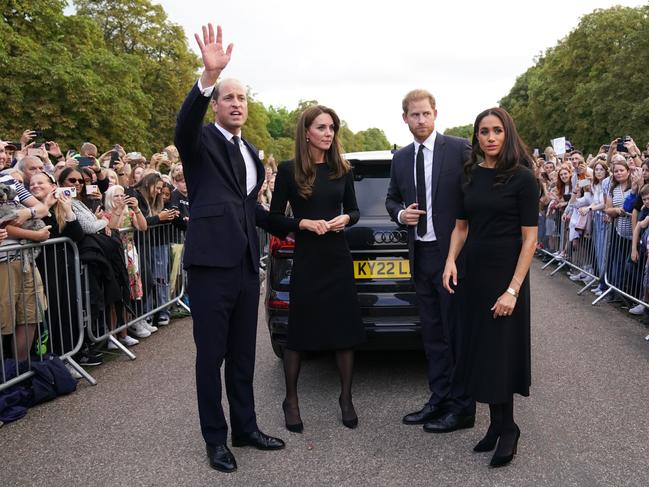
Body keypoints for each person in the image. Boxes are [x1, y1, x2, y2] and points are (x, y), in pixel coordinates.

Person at [174, 23, 286, 473]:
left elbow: (251, 210)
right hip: (209, 268)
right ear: (216, 105)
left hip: (243, 267)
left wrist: (301, 224)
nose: (237, 104)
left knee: (243, 354)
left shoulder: (252, 152)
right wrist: (206, 76)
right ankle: (215, 439)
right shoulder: (199, 142)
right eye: (228, 97)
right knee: (211, 358)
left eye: (242, 98)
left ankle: (246, 427)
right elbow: (184, 125)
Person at [443, 107, 538, 468]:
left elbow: (530, 240)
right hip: (474, 274)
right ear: (476, 138)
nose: (491, 137)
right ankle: (496, 425)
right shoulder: (469, 175)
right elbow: (461, 226)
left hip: (506, 275)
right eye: (484, 131)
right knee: (482, 350)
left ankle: (509, 427)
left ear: (507, 133)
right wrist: (451, 260)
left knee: (501, 352)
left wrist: (513, 289)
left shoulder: (523, 178)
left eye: (497, 130)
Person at [270, 105, 365, 433]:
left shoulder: (343, 169)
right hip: (308, 257)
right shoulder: (288, 170)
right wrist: (303, 223)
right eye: (322, 127)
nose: (329, 133)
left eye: (332, 128)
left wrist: (346, 219)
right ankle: (291, 401)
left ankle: (346, 398)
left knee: (344, 330)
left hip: (337, 256)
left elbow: (354, 210)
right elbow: (273, 219)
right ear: (306, 132)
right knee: (299, 332)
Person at [385, 89, 475, 433]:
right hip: (420, 254)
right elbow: (392, 198)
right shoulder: (401, 158)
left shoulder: (459, 148)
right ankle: (438, 399)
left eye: (425, 114)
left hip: (451, 256)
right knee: (433, 334)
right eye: (414, 115)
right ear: (405, 118)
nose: (420, 120)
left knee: (456, 333)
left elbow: (477, 193)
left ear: (435, 114)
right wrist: (399, 214)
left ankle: (462, 407)